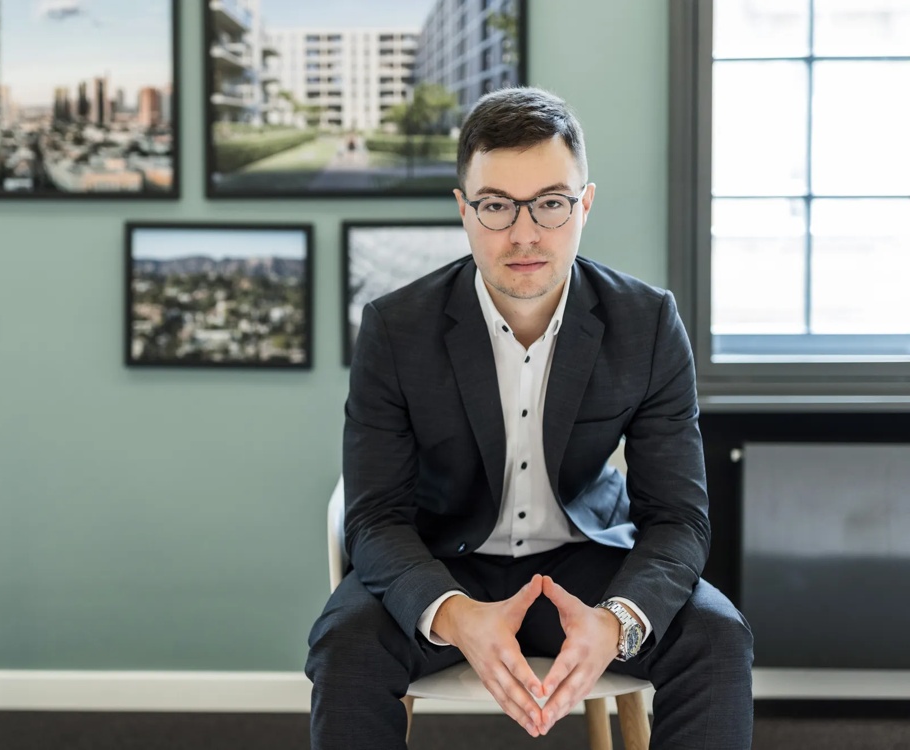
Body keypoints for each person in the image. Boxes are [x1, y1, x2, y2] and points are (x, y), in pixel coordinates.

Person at [306, 86, 754, 749]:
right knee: (346, 641)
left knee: (716, 637)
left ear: (585, 204)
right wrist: (454, 616)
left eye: (550, 203)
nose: (524, 233)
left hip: (590, 563)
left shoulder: (647, 322)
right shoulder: (395, 328)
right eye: (496, 206)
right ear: (463, 209)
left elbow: (679, 518)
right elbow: (374, 518)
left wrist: (619, 621)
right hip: (446, 562)